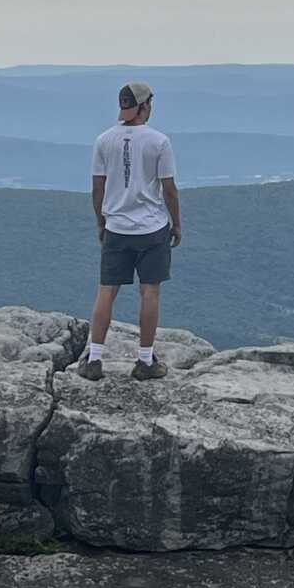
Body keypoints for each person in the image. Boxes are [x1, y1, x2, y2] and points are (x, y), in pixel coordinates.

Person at [77, 80, 181, 382]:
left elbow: (97, 187)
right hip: (152, 228)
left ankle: (94, 359)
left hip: (117, 227)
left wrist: (101, 221)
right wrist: (176, 223)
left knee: (106, 290)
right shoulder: (159, 142)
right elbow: (169, 189)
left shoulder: (103, 140)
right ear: (145, 105)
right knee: (149, 291)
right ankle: (145, 361)